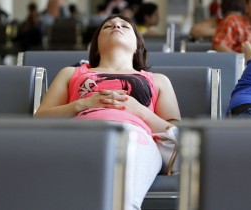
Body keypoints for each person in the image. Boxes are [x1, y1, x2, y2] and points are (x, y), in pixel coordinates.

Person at [34, 14, 181, 208]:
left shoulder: (158, 80)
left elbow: (178, 133)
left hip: (135, 137)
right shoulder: (72, 73)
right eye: (108, 26)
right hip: (80, 133)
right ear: (96, 44)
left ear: (137, 43)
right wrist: (82, 104)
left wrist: (140, 111)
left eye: (124, 26)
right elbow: (39, 119)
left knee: (123, 196)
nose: (116, 26)